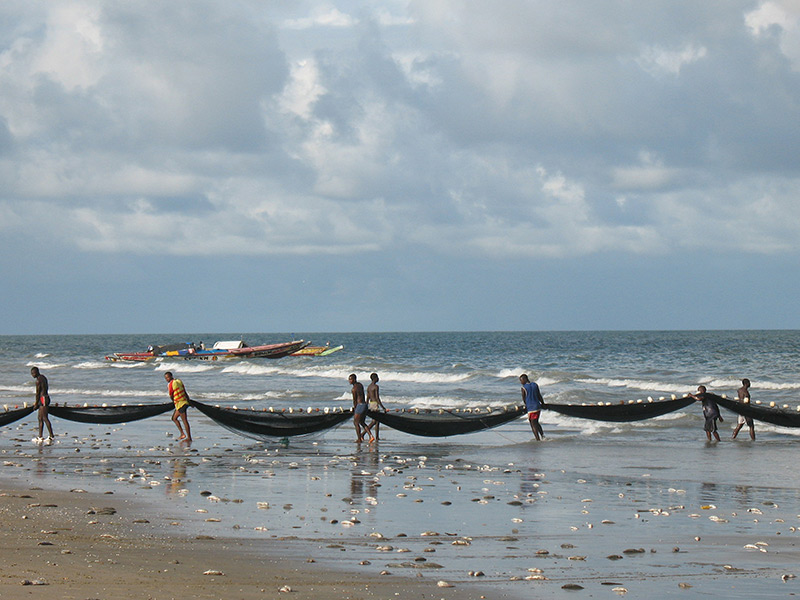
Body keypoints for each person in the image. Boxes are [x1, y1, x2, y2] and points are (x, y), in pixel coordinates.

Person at [164, 371, 192, 442]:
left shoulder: (170, 384)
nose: (167, 379)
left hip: (180, 404)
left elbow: (171, 395)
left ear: (171, 376)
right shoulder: (179, 381)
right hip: (184, 402)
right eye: (166, 378)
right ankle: (182, 434)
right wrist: (189, 401)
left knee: (184, 421)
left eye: (167, 377)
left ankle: (189, 438)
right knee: (174, 418)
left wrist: (173, 401)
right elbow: (184, 391)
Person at [30, 366, 54, 442]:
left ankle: (51, 436)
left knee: (44, 418)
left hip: (43, 399)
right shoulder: (43, 377)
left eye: (33, 373)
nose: (32, 375)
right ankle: (40, 436)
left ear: (37, 372)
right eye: (32, 374)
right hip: (45, 398)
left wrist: (36, 404)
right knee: (40, 418)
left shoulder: (38, 381)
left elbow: (37, 393)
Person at [519, 373, 545, 441]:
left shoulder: (524, 388)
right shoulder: (535, 385)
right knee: (536, 422)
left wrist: (526, 406)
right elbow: (539, 395)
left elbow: (524, 399)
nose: (521, 382)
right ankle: (542, 436)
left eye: (521, 380)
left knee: (532, 424)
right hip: (538, 406)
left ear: (525, 379)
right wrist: (543, 403)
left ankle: (537, 439)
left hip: (531, 408)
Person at [349, 373, 372, 443]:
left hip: (360, 405)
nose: (349, 381)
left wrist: (355, 409)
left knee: (356, 422)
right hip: (364, 404)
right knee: (362, 422)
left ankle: (359, 439)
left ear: (354, 379)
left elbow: (355, 400)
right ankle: (371, 436)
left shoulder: (353, 389)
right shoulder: (360, 385)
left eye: (350, 379)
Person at [365, 373, 387, 441]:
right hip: (375, 404)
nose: (378, 379)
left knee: (377, 421)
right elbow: (377, 398)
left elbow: (368, 398)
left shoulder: (369, 387)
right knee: (375, 421)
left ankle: (377, 437)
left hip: (371, 403)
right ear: (375, 378)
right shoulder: (376, 387)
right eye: (377, 377)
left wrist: (366, 405)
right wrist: (383, 407)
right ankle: (363, 433)